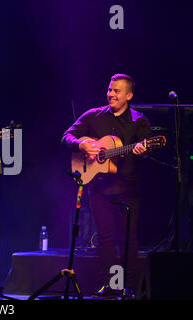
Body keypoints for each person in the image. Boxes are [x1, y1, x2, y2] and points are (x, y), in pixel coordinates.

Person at [61, 74, 152, 298]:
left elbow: (146, 149)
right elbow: (67, 136)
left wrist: (143, 149)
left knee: (127, 238)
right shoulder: (93, 116)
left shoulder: (139, 121)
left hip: (128, 187)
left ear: (129, 95)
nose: (111, 94)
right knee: (106, 237)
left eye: (117, 91)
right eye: (110, 90)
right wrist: (81, 144)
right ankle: (112, 285)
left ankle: (126, 286)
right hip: (99, 188)